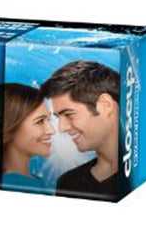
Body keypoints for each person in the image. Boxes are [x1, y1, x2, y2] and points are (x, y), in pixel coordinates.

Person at [40, 60, 121, 200]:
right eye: (58, 117)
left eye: (69, 114)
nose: (61, 128)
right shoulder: (68, 184)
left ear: (105, 106)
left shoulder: (142, 175)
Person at [0, 84, 54, 193]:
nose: (51, 130)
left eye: (49, 120)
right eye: (40, 121)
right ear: (9, 127)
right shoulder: (20, 187)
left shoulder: (30, 182)